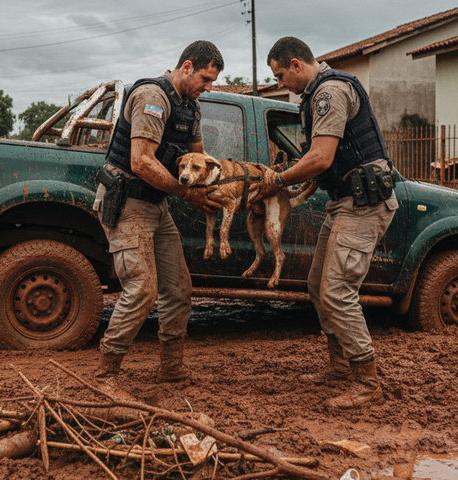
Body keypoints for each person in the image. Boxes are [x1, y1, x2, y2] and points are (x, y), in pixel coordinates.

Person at [254, 36, 399, 409]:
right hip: (345, 203)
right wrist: (290, 179)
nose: (281, 83)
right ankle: (340, 367)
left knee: (337, 291)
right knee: (319, 285)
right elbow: (325, 162)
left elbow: (320, 158)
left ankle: (367, 383)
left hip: (363, 205)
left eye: (281, 75)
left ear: (296, 64)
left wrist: (279, 181)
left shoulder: (329, 93)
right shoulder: (316, 95)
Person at [92, 41, 224, 393]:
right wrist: (186, 193)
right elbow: (141, 162)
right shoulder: (153, 96)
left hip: (156, 204)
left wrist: (226, 181)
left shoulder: (190, 107)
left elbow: (199, 159)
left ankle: (171, 368)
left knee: (178, 289)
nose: (208, 87)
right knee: (142, 289)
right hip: (128, 201)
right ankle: (106, 375)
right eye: (206, 78)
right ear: (186, 67)